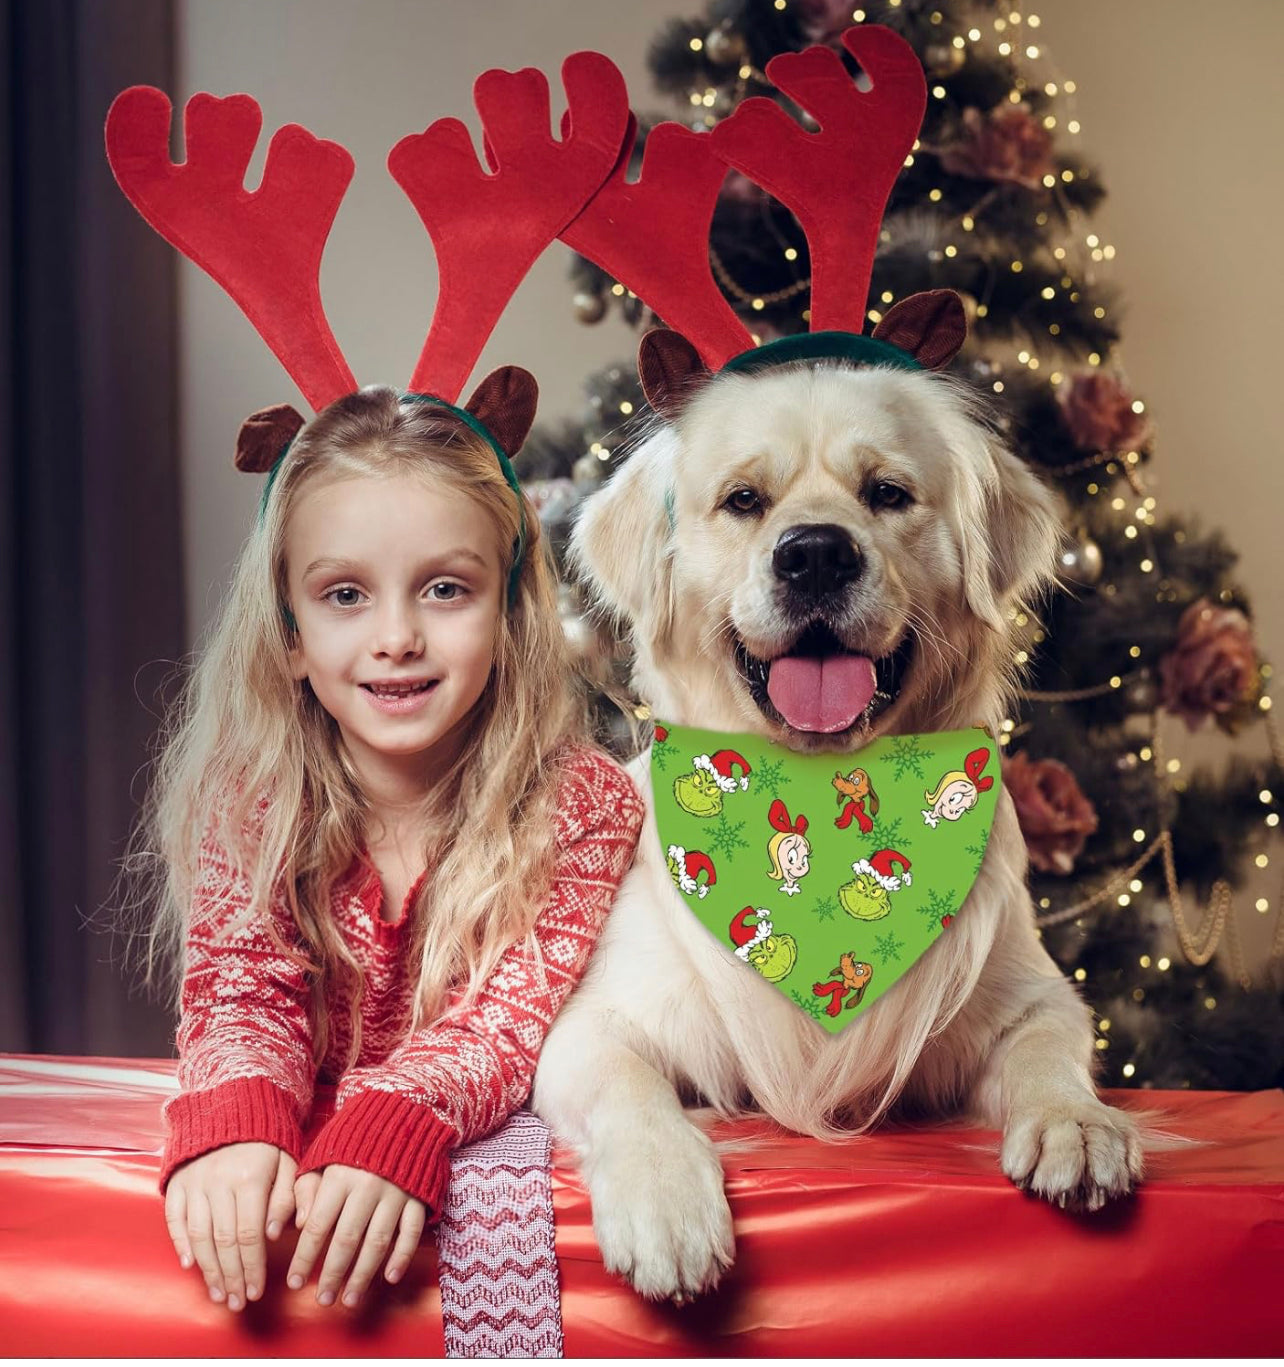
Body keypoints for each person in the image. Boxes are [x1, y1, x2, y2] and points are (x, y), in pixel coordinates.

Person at [139, 387, 645, 1315]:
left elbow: (506, 1021)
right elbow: (241, 988)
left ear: (508, 614)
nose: (398, 637)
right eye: (344, 595)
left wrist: (394, 1118)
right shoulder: (250, 796)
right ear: (290, 634)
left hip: (488, 1178)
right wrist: (240, 1120)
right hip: (311, 1187)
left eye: (446, 588)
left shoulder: (584, 802)